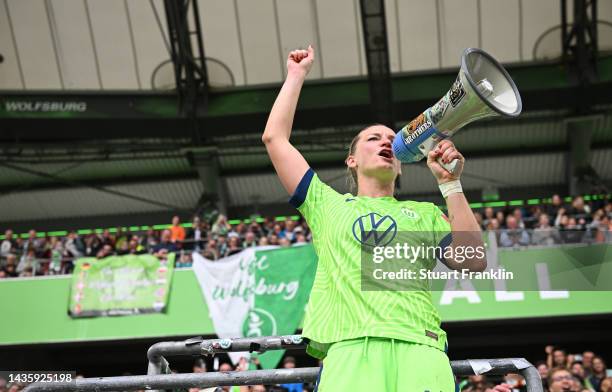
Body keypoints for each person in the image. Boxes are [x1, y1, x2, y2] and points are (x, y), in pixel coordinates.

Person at [262, 46, 485, 392]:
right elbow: (275, 139)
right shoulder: (326, 205)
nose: (386, 141)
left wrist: (450, 183)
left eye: (390, 139)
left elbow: (474, 261)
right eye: (373, 138)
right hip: (350, 351)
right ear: (351, 160)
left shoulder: (425, 214)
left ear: (399, 161)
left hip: (421, 349)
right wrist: (296, 76)